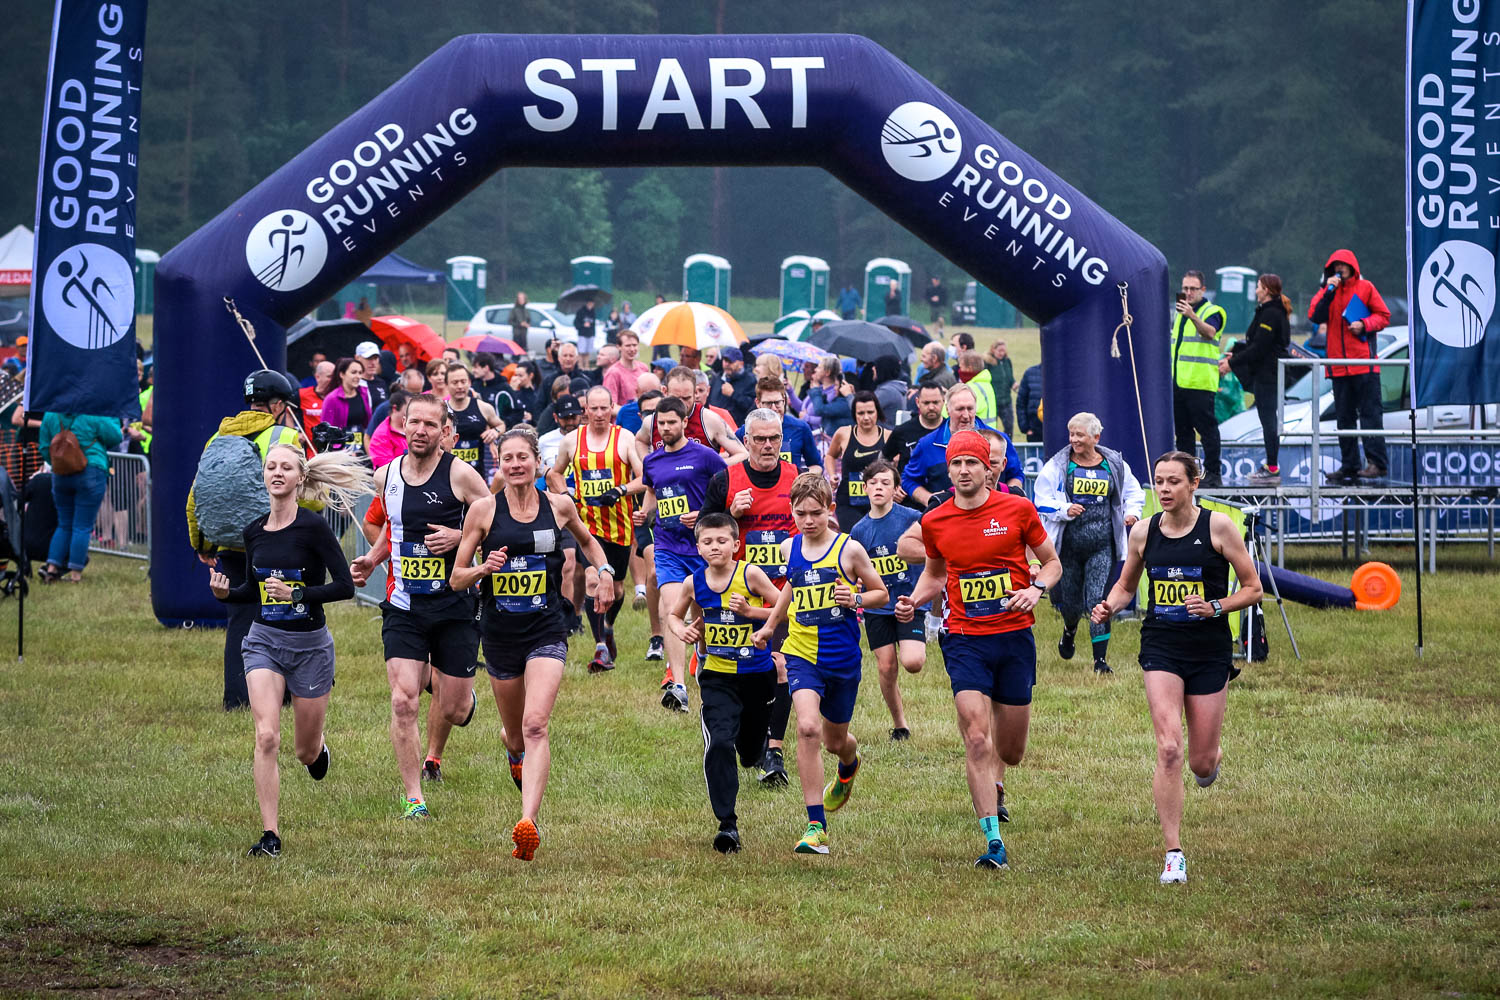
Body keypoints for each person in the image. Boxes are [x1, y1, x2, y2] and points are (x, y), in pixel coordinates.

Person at [1090, 451, 1262, 884]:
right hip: (1161, 645)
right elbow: (1127, 586)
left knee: (1201, 763)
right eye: (1159, 481)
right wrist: (1109, 606)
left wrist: (1215, 606)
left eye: (1173, 482)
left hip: (1208, 649)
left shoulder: (1219, 527)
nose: (1164, 490)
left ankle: (1211, 759)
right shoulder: (1144, 532)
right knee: (1169, 749)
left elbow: (1253, 587)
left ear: (1194, 484)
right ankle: (1173, 853)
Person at [894, 430, 1062, 869]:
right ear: (947, 470)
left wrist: (1036, 588)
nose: (964, 471)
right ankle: (992, 841)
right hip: (964, 637)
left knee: (1010, 752)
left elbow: (1052, 562)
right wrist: (915, 598)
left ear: (989, 468)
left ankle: (1000, 782)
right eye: (956, 464)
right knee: (974, 736)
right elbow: (934, 574)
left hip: (1013, 637)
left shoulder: (1017, 509)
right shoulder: (936, 520)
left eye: (972, 463)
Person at [450, 427, 612, 861]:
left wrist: (606, 572)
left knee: (536, 724)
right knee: (517, 733)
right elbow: (456, 577)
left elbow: (590, 542)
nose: (517, 464)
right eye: (509, 458)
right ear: (499, 463)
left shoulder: (559, 506)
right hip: (500, 635)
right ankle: (513, 750)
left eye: (524, 457)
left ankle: (528, 822)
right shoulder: (484, 511)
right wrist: (485, 568)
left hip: (546, 629)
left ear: (538, 462)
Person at [208, 444, 371, 858]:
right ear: (263, 476)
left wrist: (298, 591)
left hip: (310, 648)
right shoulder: (254, 531)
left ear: (300, 478)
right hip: (264, 641)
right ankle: (271, 835)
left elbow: (344, 586)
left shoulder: (314, 528)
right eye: (271, 467)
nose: (277, 473)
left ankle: (318, 752)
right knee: (266, 736)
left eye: (285, 468)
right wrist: (226, 593)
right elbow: (253, 592)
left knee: (304, 750)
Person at [351, 394, 492, 817]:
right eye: (414, 422)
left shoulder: (462, 475)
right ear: (403, 423)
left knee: (454, 707)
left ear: (445, 432)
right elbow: (392, 528)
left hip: (455, 604)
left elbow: (493, 522)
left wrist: (458, 537)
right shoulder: (387, 476)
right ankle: (414, 797)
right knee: (403, 700)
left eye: (430, 425)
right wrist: (371, 560)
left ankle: (457, 696)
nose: (420, 430)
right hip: (404, 604)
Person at [751, 473, 888, 856]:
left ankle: (849, 763)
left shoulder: (849, 550)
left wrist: (856, 598)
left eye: (816, 513)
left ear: (830, 510)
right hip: (801, 653)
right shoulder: (787, 548)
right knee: (808, 729)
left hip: (842, 658)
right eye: (800, 514)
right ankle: (816, 827)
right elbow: (791, 588)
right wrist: (769, 626)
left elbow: (881, 592)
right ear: (791, 512)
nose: (808, 521)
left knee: (834, 741)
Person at [187, 370, 309, 710]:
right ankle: (281, 695)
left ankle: (238, 699)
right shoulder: (284, 435)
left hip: (230, 546)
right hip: (274, 543)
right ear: (276, 405)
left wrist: (202, 544)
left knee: (240, 622)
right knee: (282, 618)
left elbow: (198, 493)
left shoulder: (218, 437)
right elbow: (307, 492)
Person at [666, 512, 783, 853]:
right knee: (719, 743)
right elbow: (673, 614)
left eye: (722, 541)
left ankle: (756, 747)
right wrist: (682, 629)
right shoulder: (694, 582)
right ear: (698, 546)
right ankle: (727, 824)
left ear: (735, 544)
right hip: (717, 675)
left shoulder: (750, 574)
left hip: (757, 676)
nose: (715, 547)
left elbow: (781, 609)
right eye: (707, 541)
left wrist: (751, 612)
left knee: (748, 753)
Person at [702, 407, 800, 786]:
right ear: (745, 441)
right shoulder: (725, 479)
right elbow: (705, 534)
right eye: (759, 439)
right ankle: (744, 739)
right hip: (737, 596)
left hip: (783, 593)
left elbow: (817, 526)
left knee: (781, 667)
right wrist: (731, 512)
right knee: (745, 675)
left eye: (774, 438)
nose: (767, 445)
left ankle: (772, 751)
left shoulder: (796, 479)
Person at [1033, 412, 1144, 674]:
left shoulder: (1113, 463)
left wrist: (1132, 513)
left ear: (1096, 437)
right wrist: (1064, 509)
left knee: (1097, 600)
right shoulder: (1059, 464)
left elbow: (1134, 492)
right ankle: (1070, 629)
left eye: (1079, 435)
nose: (1073, 440)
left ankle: (1100, 661)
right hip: (1068, 548)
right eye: (1071, 434)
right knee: (1071, 605)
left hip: (1101, 546)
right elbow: (1040, 500)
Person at [638, 396, 729, 713]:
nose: (665, 428)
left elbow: (723, 492)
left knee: (704, 615)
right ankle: (678, 684)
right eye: (660, 423)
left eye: (671, 422)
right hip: (667, 547)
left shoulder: (706, 457)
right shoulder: (652, 461)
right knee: (672, 610)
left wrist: (703, 514)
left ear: (683, 424)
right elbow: (653, 493)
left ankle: (702, 656)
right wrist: (644, 513)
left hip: (703, 550)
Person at [547, 386, 644, 672]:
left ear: (612, 408)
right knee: (592, 580)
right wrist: (566, 494)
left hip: (619, 526)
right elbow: (554, 473)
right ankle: (600, 646)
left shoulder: (624, 438)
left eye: (605, 408)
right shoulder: (572, 440)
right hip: (586, 526)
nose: (600, 414)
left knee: (615, 588)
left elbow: (644, 478)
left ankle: (610, 627)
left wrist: (621, 490)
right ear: (585, 409)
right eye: (594, 408)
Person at [848, 460, 925, 739]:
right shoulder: (859, 530)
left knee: (913, 662)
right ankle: (900, 724)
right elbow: (856, 569)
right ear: (865, 487)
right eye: (874, 483)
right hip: (878, 607)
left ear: (895, 489)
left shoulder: (911, 518)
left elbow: (931, 553)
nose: (879, 488)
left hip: (910, 602)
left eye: (886, 483)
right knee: (886, 666)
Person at [1308, 249, 1391, 483]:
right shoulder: (1327, 291)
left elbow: (1384, 316)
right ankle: (1350, 465)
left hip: (1363, 365)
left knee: (1370, 416)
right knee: (1344, 419)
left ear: (1352, 267)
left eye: (1343, 265)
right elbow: (1314, 315)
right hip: (1339, 366)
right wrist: (1328, 292)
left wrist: (1364, 324)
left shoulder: (1366, 288)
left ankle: (1377, 463)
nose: (1339, 269)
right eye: (1335, 266)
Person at [902, 383, 1023, 507]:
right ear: (947, 410)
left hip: (994, 517)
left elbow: (1016, 475)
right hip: (949, 519)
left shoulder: (998, 440)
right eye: (960, 409)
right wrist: (931, 500)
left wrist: (1008, 501)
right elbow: (908, 480)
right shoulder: (928, 444)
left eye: (970, 409)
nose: (966, 416)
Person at [37, 410, 122, 584]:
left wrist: (61, 460)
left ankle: (52, 569)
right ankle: (75, 574)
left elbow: (45, 447)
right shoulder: (93, 410)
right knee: (82, 526)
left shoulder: (51, 414)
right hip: (91, 470)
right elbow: (115, 436)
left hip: (61, 474)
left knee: (64, 524)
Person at [1228, 274, 1293, 484]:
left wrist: (1233, 362)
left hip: (1268, 375)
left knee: (1268, 422)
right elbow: (1256, 344)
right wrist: (1236, 355)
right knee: (1267, 421)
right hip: (1266, 374)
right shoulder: (1268, 311)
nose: (1255, 290)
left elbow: (1260, 348)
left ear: (1266, 289)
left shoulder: (1271, 314)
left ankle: (1272, 467)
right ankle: (1271, 465)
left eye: (1258, 287)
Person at [1171, 270, 1227, 488]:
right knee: (1183, 434)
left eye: (1193, 289)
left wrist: (1193, 316)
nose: (1188, 293)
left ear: (1203, 290)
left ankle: (1213, 473)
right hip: (1179, 383)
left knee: (1207, 431)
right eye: (1185, 288)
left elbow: (1210, 332)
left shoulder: (1213, 311)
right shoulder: (1179, 315)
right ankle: (1188, 474)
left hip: (1201, 383)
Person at [635, 365, 747, 461]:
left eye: (686, 398)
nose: (682, 404)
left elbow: (742, 454)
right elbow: (640, 440)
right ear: (664, 391)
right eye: (676, 398)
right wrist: (648, 464)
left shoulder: (710, 420)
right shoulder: (652, 421)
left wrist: (713, 467)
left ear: (695, 393)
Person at [828, 391, 889, 533]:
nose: (866, 418)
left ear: (877, 412)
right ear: (854, 414)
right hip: (848, 502)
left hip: (878, 501)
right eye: (861, 413)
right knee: (855, 539)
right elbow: (830, 456)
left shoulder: (888, 436)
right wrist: (832, 475)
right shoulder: (844, 433)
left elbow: (898, 466)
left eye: (870, 412)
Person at [734, 376, 820, 473]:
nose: (774, 408)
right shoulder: (746, 431)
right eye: (768, 403)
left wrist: (800, 478)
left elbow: (816, 466)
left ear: (784, 400)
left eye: (777, 402)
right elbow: (732, 463)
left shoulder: (800, 427)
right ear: (758, 403)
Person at [444, 364, 505, 477]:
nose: (460, 386)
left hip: (477, 473)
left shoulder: (483, 407)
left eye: (463, 381)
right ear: (446, 385)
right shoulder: (440, 409)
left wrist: (495, 432)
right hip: (447, 474)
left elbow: (501, 425)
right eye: (455, 382)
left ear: (470, 383)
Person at [884, 382, 945, 473]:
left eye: (935, 402)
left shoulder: (952, 431)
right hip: (908, 486)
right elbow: (883, 461)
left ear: (943, 401)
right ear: (917, 402)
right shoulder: (902, 431)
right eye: (926, 403)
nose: (931, 407)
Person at [318, 357, 372, 454]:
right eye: (354, 372)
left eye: (360, 373)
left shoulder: (364, 393)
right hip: (340, 451)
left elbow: (367, 424)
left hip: (362, 448)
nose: (358, 376)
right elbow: (325, 431)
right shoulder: (331, 399)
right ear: (342, 374)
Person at [707, 347, 756, 425]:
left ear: (741, 364)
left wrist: (733, 394)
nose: (726, 364)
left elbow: (752, 405)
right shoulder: (717, 378)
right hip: (715, 423)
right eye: (725, 360)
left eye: (730, 361)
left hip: (736, 427)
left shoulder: (750, 380)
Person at [807, 357, 853, 438]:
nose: (815, 370)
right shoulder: (836, 398)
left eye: (819, 367)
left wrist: (815, 391)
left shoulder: (843, 403)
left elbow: (820, 410)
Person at [604, 329, 650, 405]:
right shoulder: (613, 373)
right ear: (619, 347)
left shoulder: (644, 368)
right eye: (628, 346)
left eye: (634, 345)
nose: (632, 349)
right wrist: (630, 412)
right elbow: (610, 406)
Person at [368, 389, 411, 470]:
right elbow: (388, 469)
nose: (412, 412)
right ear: (395, 408)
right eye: (408, 408)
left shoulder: (414, 427)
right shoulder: (381, 436)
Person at [984, 340, 1017, 437]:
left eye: (1003, 351)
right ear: (993, 350)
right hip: (993, 401)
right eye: (999, 350)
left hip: (1006, 401)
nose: (1001, 353)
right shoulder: (988, 362)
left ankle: (1008, 446)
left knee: (1009, 427)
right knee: (991, 427)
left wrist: (1014, 384)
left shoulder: (1007, 361)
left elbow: (1010, 378)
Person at [956, 351, 997, 422]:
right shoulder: (986, 383)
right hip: (988, 430)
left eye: (961, 367)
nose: (959, 370)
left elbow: (957, 411)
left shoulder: (971, 388)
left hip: (977, 430)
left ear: (969, 368)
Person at [299, 361, 334, 433]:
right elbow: (287, 411)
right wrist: (295, 432)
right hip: (309, 443)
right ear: (317, 377)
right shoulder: (302, 394)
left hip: (335, 442)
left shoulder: (339, 396)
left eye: (335, 377)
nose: (333, 380)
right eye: (329, 376)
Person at [1015, 363, 1043, 442]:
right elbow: (1021, 402)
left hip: (1057, 433)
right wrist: (1025, 428)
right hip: (1034, 432)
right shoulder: (1030, 373)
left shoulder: (1062, 373)